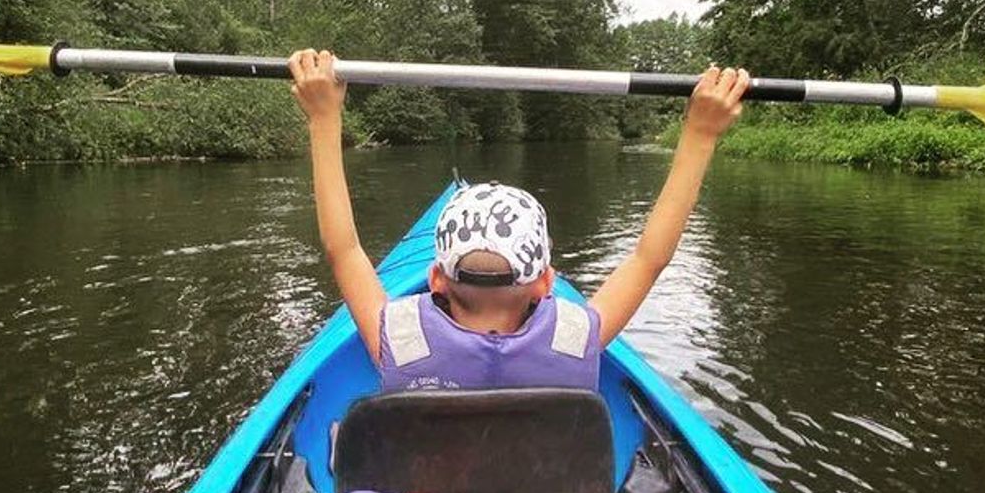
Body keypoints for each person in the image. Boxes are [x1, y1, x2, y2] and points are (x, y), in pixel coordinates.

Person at [287, 48, 751, 387]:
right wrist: (701, 132)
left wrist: (323, 119)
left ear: (437, 279)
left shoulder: (397, 338)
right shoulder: (577, 338)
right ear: (546, 282)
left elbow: (343, 250)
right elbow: (650, 258)